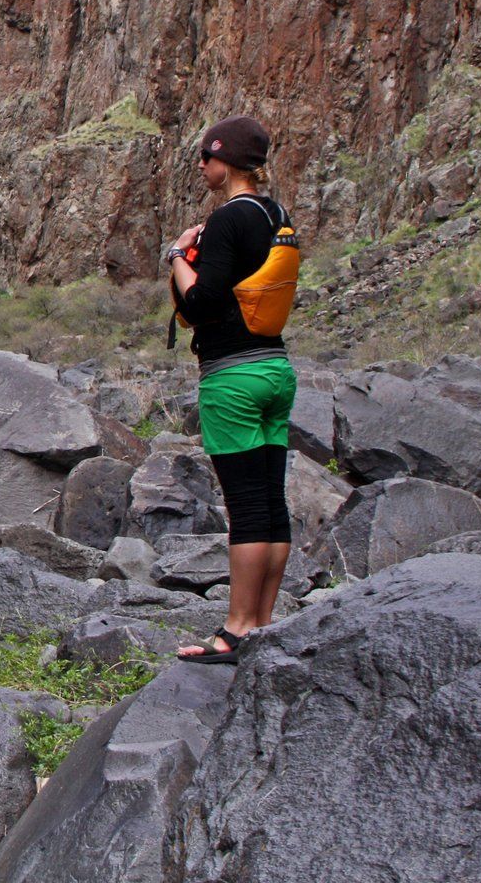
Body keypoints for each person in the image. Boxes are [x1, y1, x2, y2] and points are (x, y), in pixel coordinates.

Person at [166, 115, 298, 665]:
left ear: (229, 162)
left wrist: (177, 257)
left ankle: (237, 629)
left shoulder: (227, 220)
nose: (201, 166)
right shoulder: (275, 214)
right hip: (275, 373)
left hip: (233, 379)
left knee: (245, 506)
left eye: (206, 157)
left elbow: (198, 305)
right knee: (270, 501)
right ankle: (263, 624)